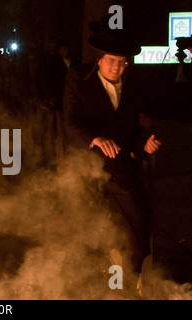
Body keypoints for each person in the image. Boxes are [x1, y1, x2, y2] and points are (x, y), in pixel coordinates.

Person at [62, 17, 162, 284]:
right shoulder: (78, 79)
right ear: (99, 59)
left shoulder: (131, 87)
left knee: (137, 218)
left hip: (120, 167)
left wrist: (144, 144)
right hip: (86, 164)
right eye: (111, 61)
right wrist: (95, 138)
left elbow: (131, 132)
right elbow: (70, 122)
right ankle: (94, 277)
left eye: (121, 63)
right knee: (91, 223)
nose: (117, 68)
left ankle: (138, 275)